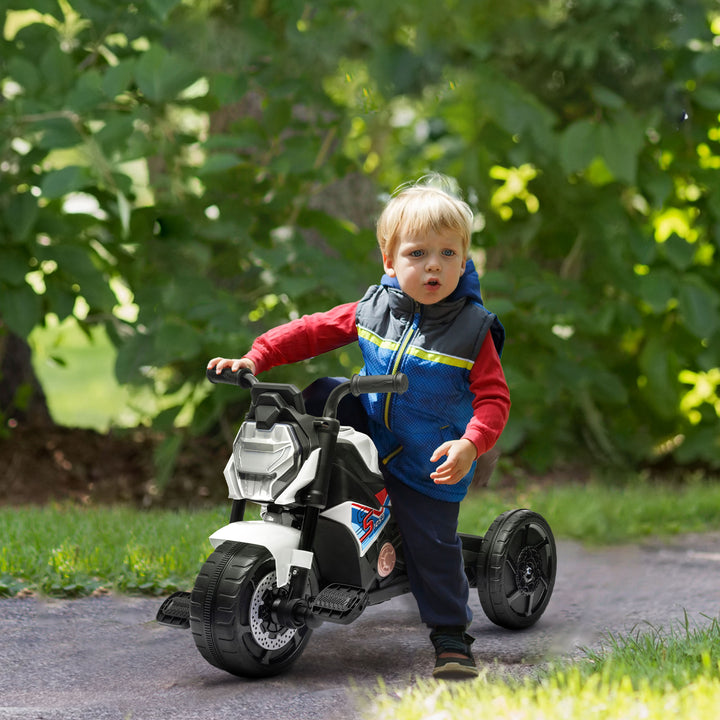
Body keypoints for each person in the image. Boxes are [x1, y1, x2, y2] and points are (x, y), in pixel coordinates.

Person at [208, 176, 510, 679]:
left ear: (463, 261)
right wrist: (255, 356)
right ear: (390, 262)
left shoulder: (472, 331)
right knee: (325, 390)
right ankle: (305, 535)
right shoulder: (373, 308)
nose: (433, 265)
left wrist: (470, 443)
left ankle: (452, 637)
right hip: (366, 442)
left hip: (426, 462)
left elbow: (494, 399)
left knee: (430, 544)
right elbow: (310, 331)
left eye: (448, 254)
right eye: (417, 254)